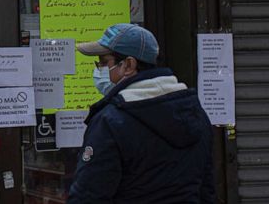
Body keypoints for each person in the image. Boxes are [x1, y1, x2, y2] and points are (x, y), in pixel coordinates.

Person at [69, 23, 215, 203]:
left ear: (128, 65)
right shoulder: (195, 113)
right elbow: (206, 190)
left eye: (104, 62)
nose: (99, 70)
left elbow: (88, 196)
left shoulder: (111, 121)